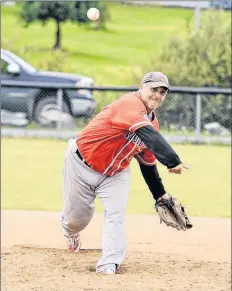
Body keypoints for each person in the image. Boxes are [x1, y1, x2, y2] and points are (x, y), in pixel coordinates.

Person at [61, 72, 187, 275]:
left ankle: (109, 263)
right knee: (77, 219)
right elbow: (151, 138)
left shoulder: (152, 124)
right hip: (81, 164)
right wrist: (173, 160)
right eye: (153, 89)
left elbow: (147, 163)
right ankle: (71, 233)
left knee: (116, 214)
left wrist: (159, 195)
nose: (157, 95)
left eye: (163, 92)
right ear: (142, 88)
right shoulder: (129, 104)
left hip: (115, 173)